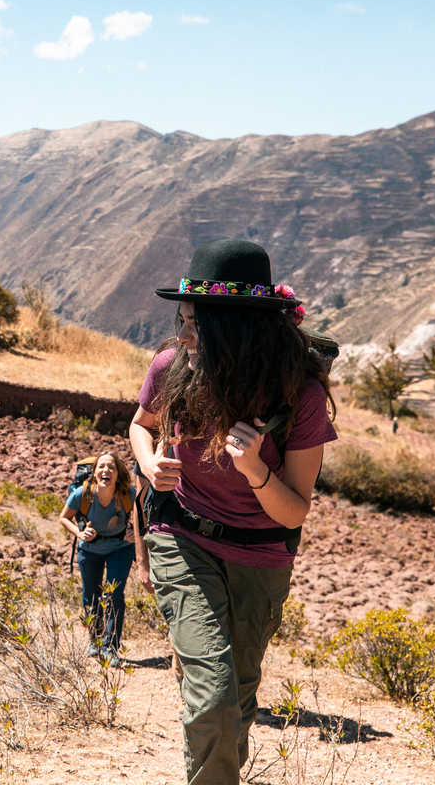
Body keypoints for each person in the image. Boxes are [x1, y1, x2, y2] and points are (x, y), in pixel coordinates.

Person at [129, 238, 337, 785]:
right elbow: (139, 425)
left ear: (237, 327)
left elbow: (293, 513)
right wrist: (150, 464)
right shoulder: (172, 367)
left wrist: (255, 471)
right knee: (214, 692)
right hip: (183, 535)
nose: (183, 334)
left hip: (261, 557)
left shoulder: (300, 396)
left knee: (237, 697)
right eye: (183, 318)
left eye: (196, 323)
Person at [57, 451, 136, 667]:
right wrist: (79, 533)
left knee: (113, 595)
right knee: (90, 596)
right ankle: (95, 639)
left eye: (111, 467)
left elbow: (146, 518)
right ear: (94, 472)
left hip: (121, 548)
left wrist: (137, 533)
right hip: (90, 549)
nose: (106, 470)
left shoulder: (129, 493)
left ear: (118, 473)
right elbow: (64, 517)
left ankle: (110, 647)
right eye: (101, 466)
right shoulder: (83, 494)